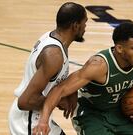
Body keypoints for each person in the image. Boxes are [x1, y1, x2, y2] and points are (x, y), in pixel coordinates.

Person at [33, 22, 133, 135]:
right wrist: (43, 121)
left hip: (122, 111)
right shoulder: (99, 66)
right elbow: (60, 89)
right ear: (119, 48)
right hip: (93, 113)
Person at [8, 2, 88, 135]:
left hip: (35, 116)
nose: (85, 28)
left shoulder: (53, 37)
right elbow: (25, 101)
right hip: (28, 121)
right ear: (75, 26)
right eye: (85, 23)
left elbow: (51, 79)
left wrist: (70, 91)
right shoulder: (54, 55)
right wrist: (58, 100)